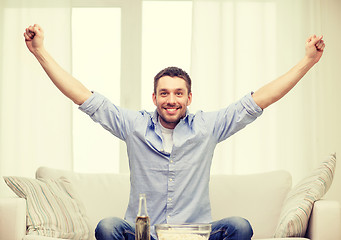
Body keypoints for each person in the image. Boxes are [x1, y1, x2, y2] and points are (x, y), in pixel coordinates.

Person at [24, 24, 325, 240]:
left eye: (179, 93)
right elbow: (82, 96)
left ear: (189, 98)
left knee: (240, 226)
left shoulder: (208, 127)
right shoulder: (134, 125)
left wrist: (308, 61)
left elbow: (261, 98)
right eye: (164, 93)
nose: (171, 100)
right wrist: (40, 52)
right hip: (144, 235)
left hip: (194, 235)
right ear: (154, 98)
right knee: (107, 227)